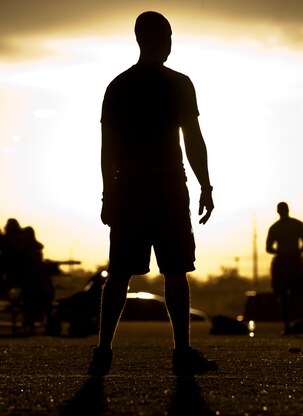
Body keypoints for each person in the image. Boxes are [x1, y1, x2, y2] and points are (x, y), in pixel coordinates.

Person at [89, 11, 218, 376]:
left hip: (129, 186)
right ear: (162, 39)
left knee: (119, 272)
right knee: (175, 270)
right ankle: (181, 352)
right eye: (170, 36)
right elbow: (193, 140)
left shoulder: (118, 86)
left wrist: (107, 194)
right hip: (166, 185)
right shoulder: (179, 83)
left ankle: (103, 352)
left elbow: (106, 148)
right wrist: (206, 185)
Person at [266, 202, 303, 334]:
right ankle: (287, 325)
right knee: (284, 294)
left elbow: (269, 248)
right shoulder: (291, 225)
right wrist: (292, 252)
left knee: (300, 294)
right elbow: (268, 248)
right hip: (286, 262)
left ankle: (301, 323)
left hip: (290, 262)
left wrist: (287, 252)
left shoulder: (278, 227)